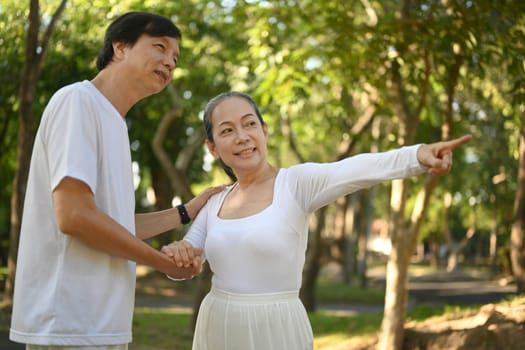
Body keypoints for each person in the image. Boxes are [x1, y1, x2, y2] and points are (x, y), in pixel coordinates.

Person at [161, 91, 473, 350]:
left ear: (264, 130)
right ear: (213, 147)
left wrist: (417, 155)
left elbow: (358, 169)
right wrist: (178, 250)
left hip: (278, 328)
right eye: (227, 130)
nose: (242, 137)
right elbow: (184, 264)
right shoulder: (214, 201)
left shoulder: (295, 184)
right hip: (218, 324)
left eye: (249, 124)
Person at [9, 12, 223, 349]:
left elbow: (115, 225)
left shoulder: (115, 124)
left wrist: (187, 211)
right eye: (159, 47)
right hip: (69, 324)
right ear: (120, 47)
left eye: (175, 58)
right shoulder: (78, 102)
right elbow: (75, 217)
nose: (169, 62)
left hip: (104, 325)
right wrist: (162, 262)